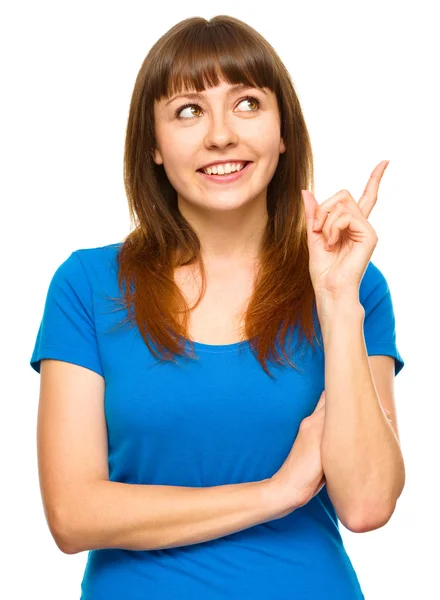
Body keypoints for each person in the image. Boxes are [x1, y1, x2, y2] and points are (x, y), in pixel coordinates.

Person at [30, 15, 405, 600]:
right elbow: (73, 514)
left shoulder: (352, 284)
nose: (221, 135)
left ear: (283, 131)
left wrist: (336, 303)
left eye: (247, 104)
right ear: (152, 146)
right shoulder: (87, 286)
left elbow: (366, 504)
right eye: (188, 111)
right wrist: (276, 493)